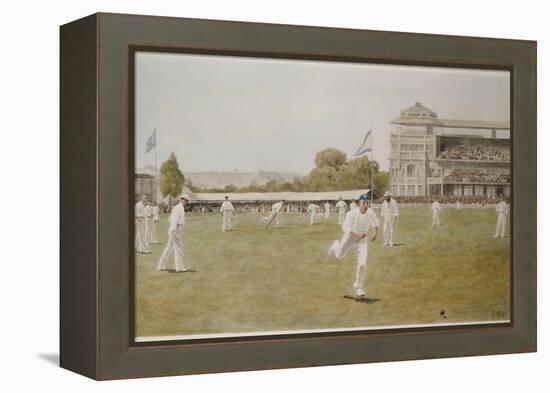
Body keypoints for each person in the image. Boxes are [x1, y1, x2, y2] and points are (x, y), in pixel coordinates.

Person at [328, 195, 379, 297]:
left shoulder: (370, 212)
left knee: (362, 264)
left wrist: (375, 234)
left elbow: (375, 222)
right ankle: (335, 245)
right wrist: (357, 233)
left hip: (362, 240)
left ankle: (359, 288)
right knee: (339, 256)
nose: (365, 205)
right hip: (350, 237)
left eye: (367, 203)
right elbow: (345, 226)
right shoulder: (352, 213)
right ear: (359, 204)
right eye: (363, 203)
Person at [157, 194, 190, 272]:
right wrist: (175, 230)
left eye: (186, 200)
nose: (185, 201)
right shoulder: (179, 208)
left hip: (173, 230)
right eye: (184, 199)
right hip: (174, 230)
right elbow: (174, 219)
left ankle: (160, 266)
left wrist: (173, 229)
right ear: (181, 199)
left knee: (168, 248)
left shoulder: (178, 207)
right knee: (179, 250)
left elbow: (170, 219)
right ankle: (179, 268)